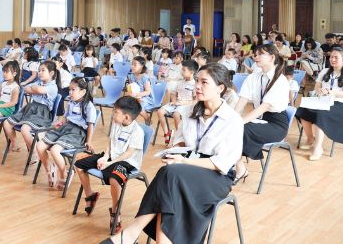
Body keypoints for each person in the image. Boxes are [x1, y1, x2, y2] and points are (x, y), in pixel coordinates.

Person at [100, 64, 243, 244]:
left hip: (216, 176)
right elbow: (181, 142)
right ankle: (138, 237)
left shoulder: (232, 120)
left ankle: (130, 234)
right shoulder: (190, 111)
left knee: (170, 175)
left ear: (220, 88)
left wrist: (183, 162)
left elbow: (221, 164)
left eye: (204, 82)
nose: (197, 86)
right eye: (197, 81)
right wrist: (173, 152)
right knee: (170, 180)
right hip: (187, 168)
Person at [75, 96, 144, 234]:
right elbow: (110, 142)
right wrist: (105, 157)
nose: (113, 114)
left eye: (116, 112)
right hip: (111, 157)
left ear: (126, 117)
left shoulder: (137, 131)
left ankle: (115, 211)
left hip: (127, 162)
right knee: (79, 164)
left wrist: (109, 163)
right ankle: (90, 196)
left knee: (114, 179)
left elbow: (129, 153)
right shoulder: (116, 123)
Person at [232, 44, 289, 181]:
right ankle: (237, 166)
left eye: (260, 54)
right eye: (255, 54)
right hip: (259, 119)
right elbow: (242, 100)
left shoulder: (280, 80)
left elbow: (264, 107)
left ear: (271, 58)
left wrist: (239, 122)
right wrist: (231, 118)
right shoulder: (254, 77)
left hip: (276, 124)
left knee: (239, 128)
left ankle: (238, 168)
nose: (255, 57)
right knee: (229, 126)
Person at [295, 46, 343, 160]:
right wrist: (319, 91)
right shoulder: (324, 71)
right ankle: (310, 139)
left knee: (321, 114)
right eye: (331, 57)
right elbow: (317, 87)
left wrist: (330, 92)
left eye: (336, 57)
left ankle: (318, 147)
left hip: (338, 104)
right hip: (322, 102)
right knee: (302, 110)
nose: (332, 59)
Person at [36, 77, 96, 190]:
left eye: (73, 90)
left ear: (83, 92)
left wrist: (89, 141)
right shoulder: (71, 102)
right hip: (65, 129)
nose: (70, 92)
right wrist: (60, 122)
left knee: (55, 150)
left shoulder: (88, 106)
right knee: (39, 146)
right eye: (69, 89)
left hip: (77, 133)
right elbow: (65, 117)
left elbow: (90, 125)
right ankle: (49, 170)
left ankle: (64, 174)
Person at [2, 60, 60, 153]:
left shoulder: (53, 86)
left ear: (51, 73)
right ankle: (14, 144)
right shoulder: (38, 82)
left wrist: (34, 88)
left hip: (42, 113)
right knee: (6, 123)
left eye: (43, 70)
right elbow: (25, 88)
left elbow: (39, 90)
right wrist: (35, 89)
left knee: (24, 129)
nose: (39, 73)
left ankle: (35, 153)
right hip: (30, 109)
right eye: (39, 70)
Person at [156, 60, 198, 144]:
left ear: (191, 72)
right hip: (176, 104)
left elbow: (195, 101)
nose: (181, 71)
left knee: (176, 114)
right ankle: (167, 133)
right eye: (182, 69)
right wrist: (174, 101)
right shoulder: (180, 82)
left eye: (184, 70)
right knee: (160, 111)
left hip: (186, 105)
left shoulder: (194, 84)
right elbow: (173, 94)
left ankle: (179, 136)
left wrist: (181, 103)